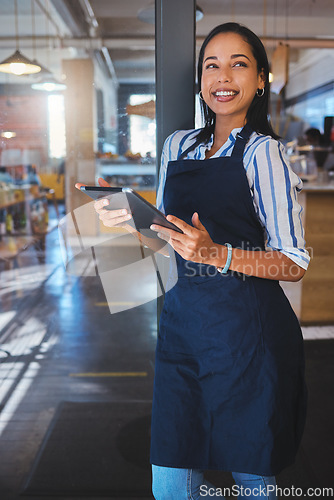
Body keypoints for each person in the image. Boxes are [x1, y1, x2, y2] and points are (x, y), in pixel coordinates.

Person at [92, 22, 310, 500]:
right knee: (170, 484)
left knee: (252, 477)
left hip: (247, 342)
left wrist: (216, 253)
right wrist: (136, 223)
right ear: (201, 80)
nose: (223, 75)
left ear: (259, 80)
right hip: (184, 334)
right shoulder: (177, 146)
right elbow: (173, 241)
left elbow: (293, 263)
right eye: (212, 64)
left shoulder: (264, 153)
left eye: (239, 63)